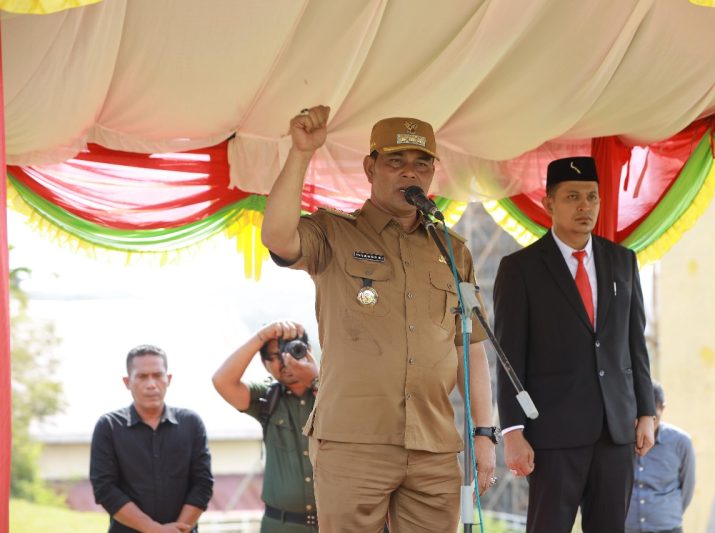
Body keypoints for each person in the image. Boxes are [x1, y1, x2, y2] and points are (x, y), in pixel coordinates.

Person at [260, 106, 496, 532]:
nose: (411, 173)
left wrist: (486, 432)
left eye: (422, 164)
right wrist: (300, 153)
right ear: (370, 167)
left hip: (433, 445)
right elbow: (277, 237)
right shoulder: (334, 232)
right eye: (396, 162)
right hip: (353, 442)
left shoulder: (451, 247)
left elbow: (471, 346)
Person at [494, 156, 656, 533]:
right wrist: (513, 431)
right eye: (572, 197)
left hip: (616, 431)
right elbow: (509, 359)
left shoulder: (622, 261)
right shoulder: (521, 269)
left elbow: (636, 344)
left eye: (592, 197)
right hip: (552, 434)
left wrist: (645, 411)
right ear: (549, 203)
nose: (585, 206)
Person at [90, 345, 213, 533]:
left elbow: (203, 484)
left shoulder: (191, 423)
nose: (151, 384)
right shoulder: (109, 426)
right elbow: (105, 489)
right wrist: (154, 530)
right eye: (141, 376)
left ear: (168, 379)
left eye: (157, 375)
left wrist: (177, 531)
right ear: (127, 382)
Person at [212, 320, 320, 532]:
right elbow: (222, 382)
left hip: (333, 524)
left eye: (293, 351)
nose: (286, 361)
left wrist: (316, 380)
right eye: (276, 356)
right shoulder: (267, 396)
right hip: (279, 525)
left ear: (307, 352)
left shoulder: (333, 390)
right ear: (264, 364)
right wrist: (261, 336)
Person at [625, 381, 695, 533]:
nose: (648, 423)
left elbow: (687, 489)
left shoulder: (681, 442)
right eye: (642, 417)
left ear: (662, 407)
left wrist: (663, 512)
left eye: (654, 417)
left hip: (667, 528)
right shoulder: (622, 441)